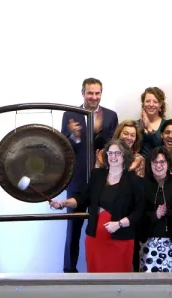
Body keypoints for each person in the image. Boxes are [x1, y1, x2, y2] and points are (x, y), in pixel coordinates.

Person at [50, 139, 144, 273]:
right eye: (110, 153)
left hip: (121, 238)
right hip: (95, 238)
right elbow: (82, 199)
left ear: (125, 156)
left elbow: (139, 210)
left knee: (118, 279)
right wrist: (63, 203)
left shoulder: (133, 180)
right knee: (96, 276)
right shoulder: (97, 175)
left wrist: (120, 223)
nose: (113, 156)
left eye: (117, 153)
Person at [60, 77, 119, 273]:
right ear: (82, 93)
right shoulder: (70, 114)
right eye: (90, 93)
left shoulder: (110, 116)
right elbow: (62, 148)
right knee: (73, 229)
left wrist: (97, 132)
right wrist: (74, 135)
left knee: (101, 228)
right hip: (76, 181)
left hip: (102, 181)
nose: (94, 97)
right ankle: (69, 270)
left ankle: (102, 270)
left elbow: (111, 147)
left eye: (97, 93)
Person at [139, 147, 172, 272]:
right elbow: (139, 213)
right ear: (150, 164)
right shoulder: (142, 184)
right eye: (155, 162)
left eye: (162, 162)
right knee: (148, 279)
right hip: (149, 240)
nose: (158, 165)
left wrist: (166, 212)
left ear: (168, 163)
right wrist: (155, 215)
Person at [137, 87, 167, 157]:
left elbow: (162, 148)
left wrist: (148, 127)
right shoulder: (136, 125)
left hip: (159, 163)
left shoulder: (166, 125)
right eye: (147, 101)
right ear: (143, 103)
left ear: (160, 104)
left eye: (155, 102)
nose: (151, 104)